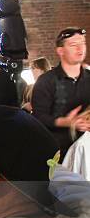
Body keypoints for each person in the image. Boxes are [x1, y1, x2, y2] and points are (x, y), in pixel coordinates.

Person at [32, 27, 90, 157]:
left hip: (87, 152)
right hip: (58, 154)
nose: (80, 48)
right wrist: (66, 122)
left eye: (82, 43)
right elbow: (38, 119)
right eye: (73, 45)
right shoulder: (46, 81)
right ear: (61, 50)